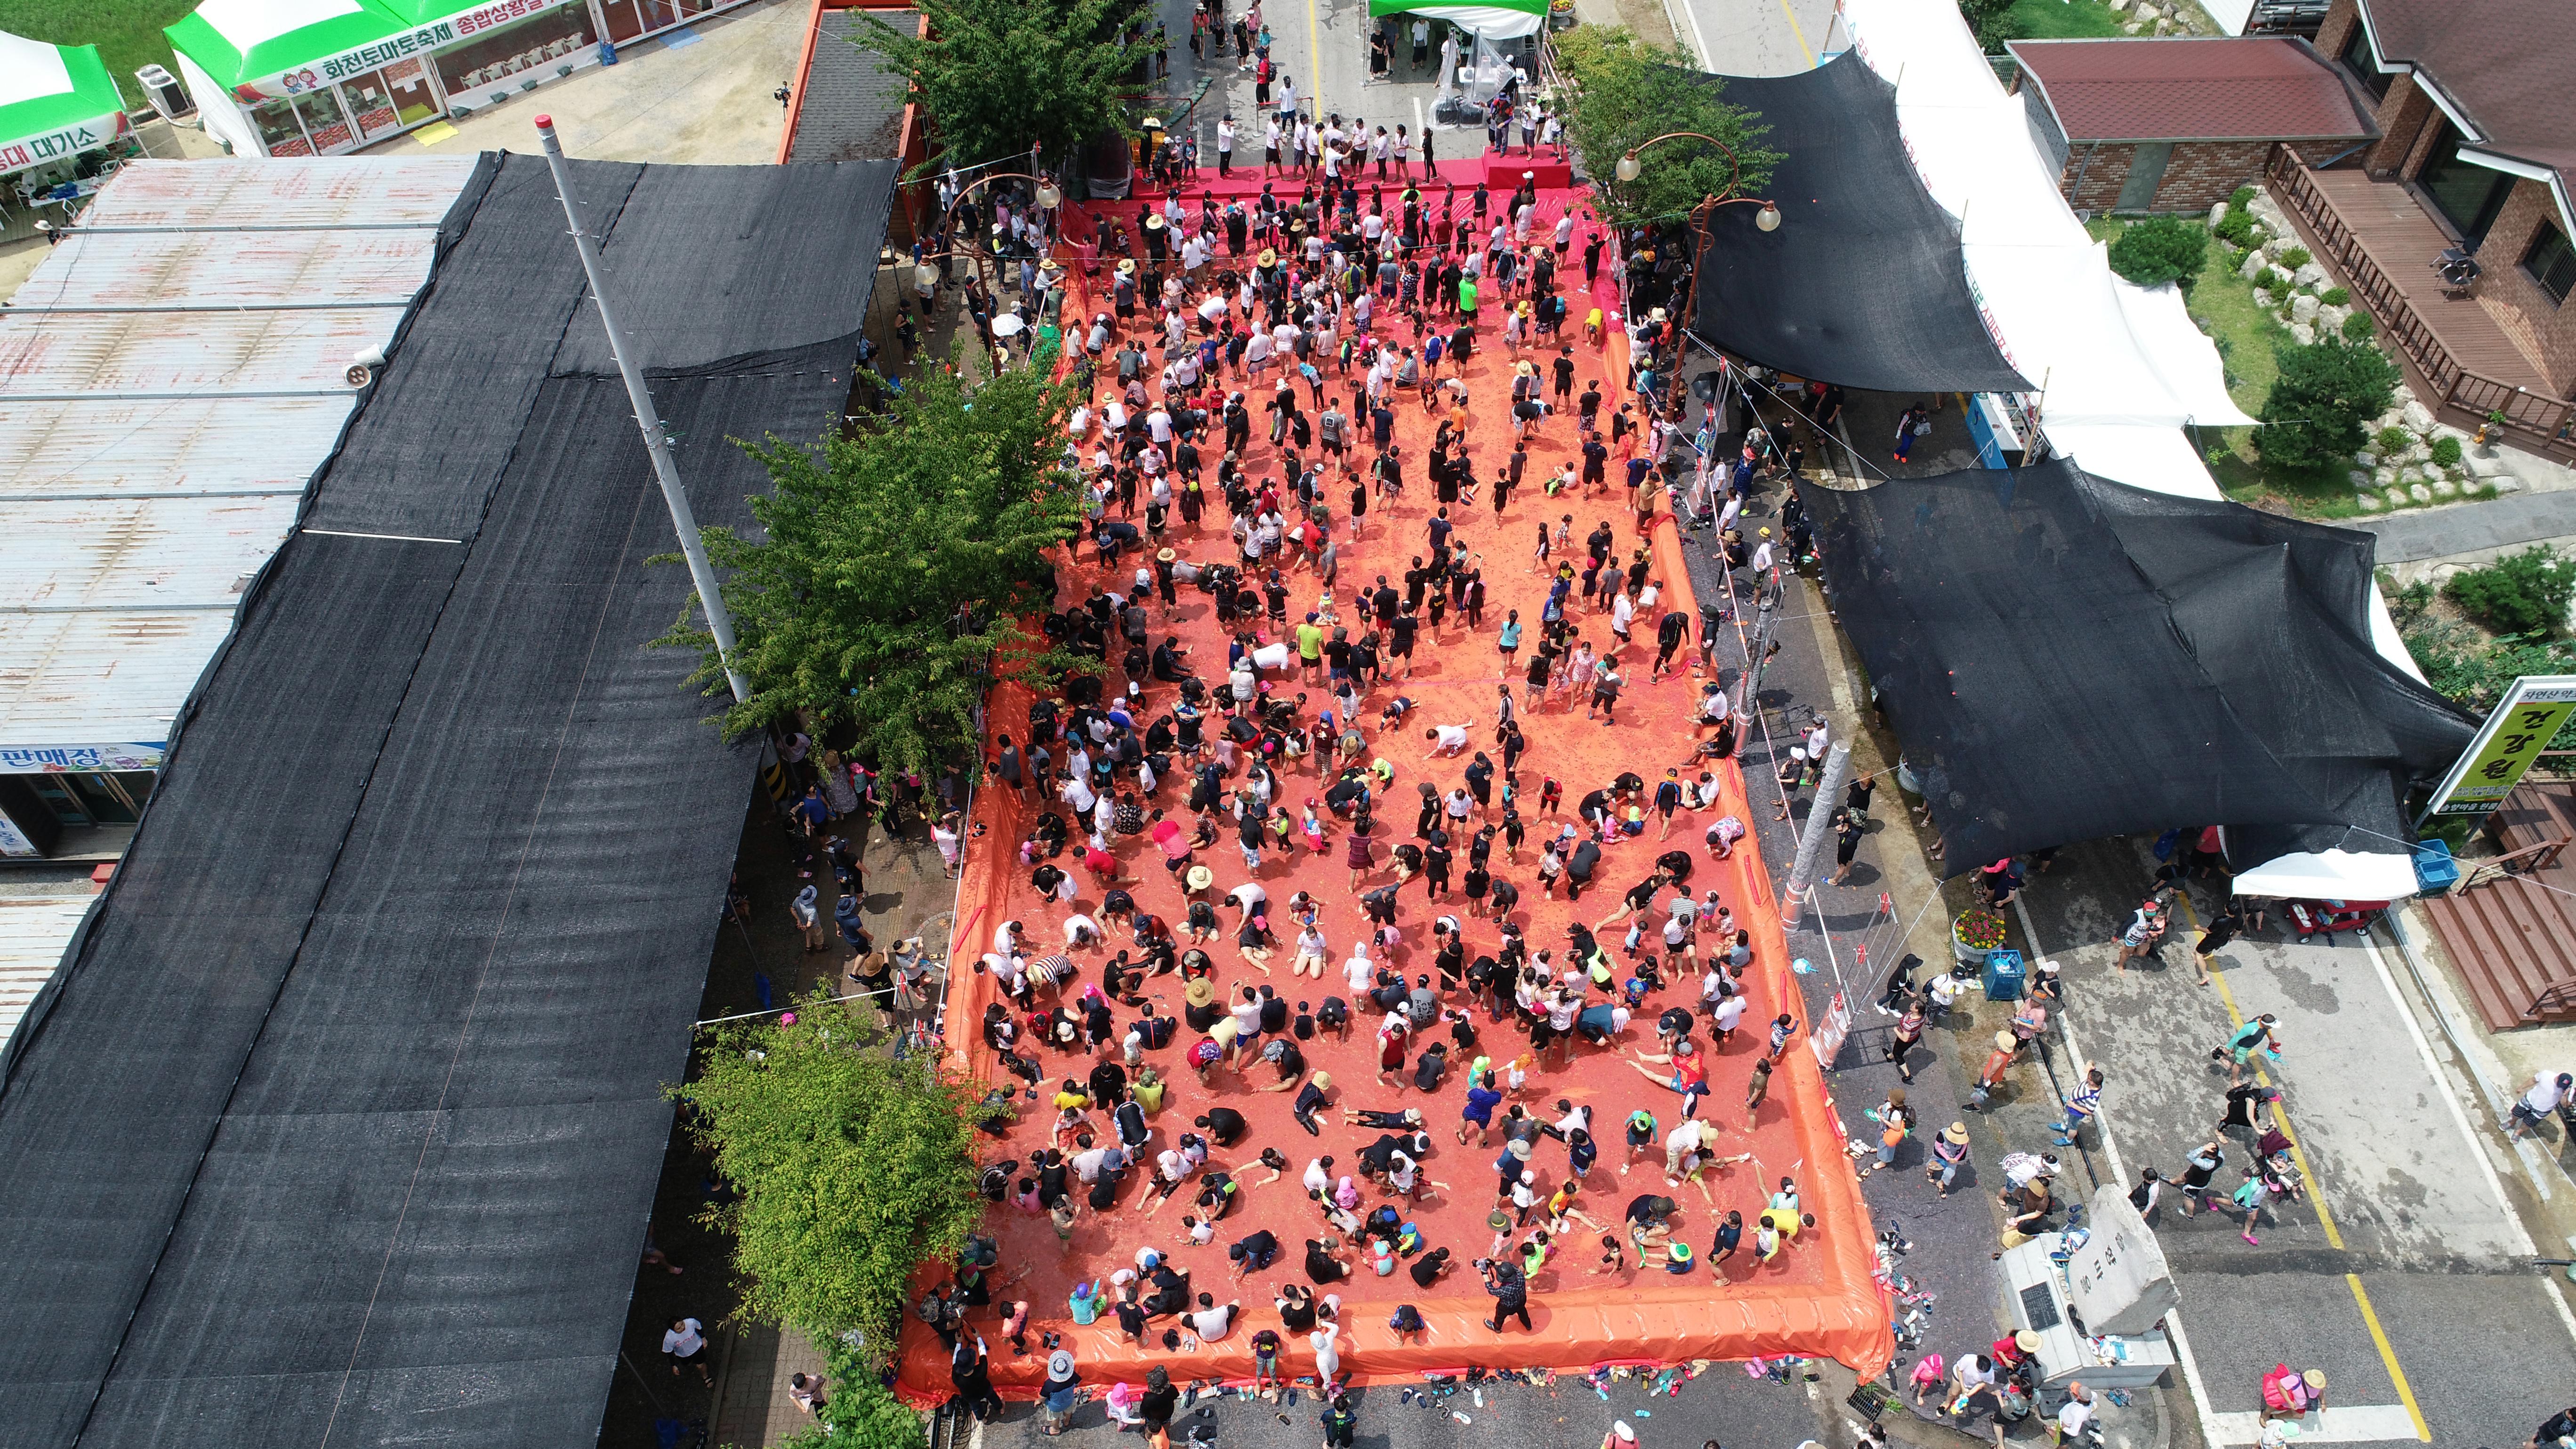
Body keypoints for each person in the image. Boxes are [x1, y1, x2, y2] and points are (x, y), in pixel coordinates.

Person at [949, 1334, 1005, 1421]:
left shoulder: (956, 1378)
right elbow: (983, 1352)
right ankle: (1000, 1408)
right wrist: (978, 1337)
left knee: (976, 1407)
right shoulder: (981, 1370)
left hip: (970, 1396)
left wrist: (959, 1343)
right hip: (985, 1389)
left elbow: (954, 1360)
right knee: (993, 1398)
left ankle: (982, 1418)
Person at [2509, 1070, 2573, 1139]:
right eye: (2559, 1084)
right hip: (2530, 1100)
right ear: (2557, 1077)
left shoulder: (2569, 1091)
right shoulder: (2546, 1074)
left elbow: (2564, 1105)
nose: (2560, 1087)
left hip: (2543, 1109)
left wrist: (2565, 1096)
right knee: (2516, 1113)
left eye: (2563, 1086)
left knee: (2529, 1123)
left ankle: (2518, 1132)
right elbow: (2533, 1080)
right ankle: (2512, 1122)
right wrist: (2521, 1087)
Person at [1482, 1255, 1531, 1330]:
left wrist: (1484, 1272)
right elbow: (1510, 1266)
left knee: (1500, 1316)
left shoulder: (1505, 1290)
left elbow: (1491, 1290)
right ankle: (1528, 1326)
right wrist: (1493, 1263)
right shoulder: (1520, 1275)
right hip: (1522, 1300)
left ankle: (1497, 1328)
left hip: (1508, 1308)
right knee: (1522, 1311)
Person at [662, 1316, 714, 1387]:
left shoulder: (691, 1322)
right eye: (679, 1328)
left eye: (682, 1324)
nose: (683, 1328)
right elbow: (669, 1352)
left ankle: (705, 1377)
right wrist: (673, 1365)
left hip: (697, 1348)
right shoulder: (669, 1338)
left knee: (700, 1365)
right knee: (687, 1363)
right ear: (673, 1330)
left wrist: (703, 1339)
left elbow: (699, 1327)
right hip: (683, 1355)